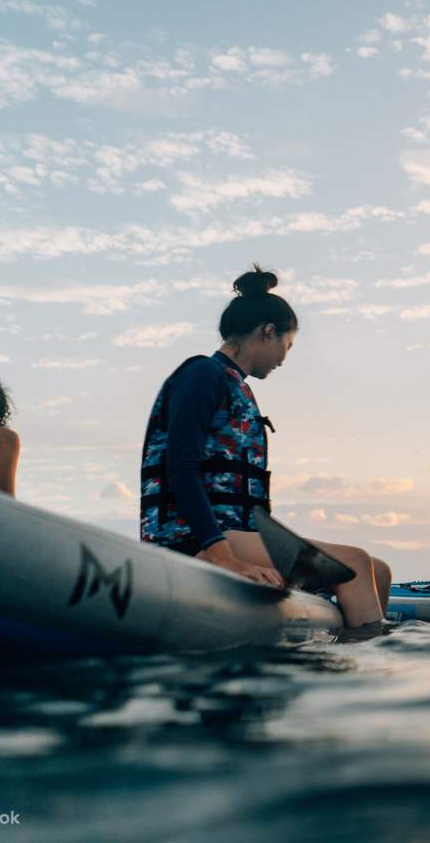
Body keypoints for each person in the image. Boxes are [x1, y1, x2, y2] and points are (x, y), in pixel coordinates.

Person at [138, 265, 391, 627]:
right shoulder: (202, 375)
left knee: (377, 570)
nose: (284, 359)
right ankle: (369, 677)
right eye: (287, 346)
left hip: (235, 535)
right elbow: (181, 469)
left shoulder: (234, 385)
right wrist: (223, 556)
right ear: (268, 331)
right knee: (354, 564)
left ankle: (352, 655)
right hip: (193, 538)